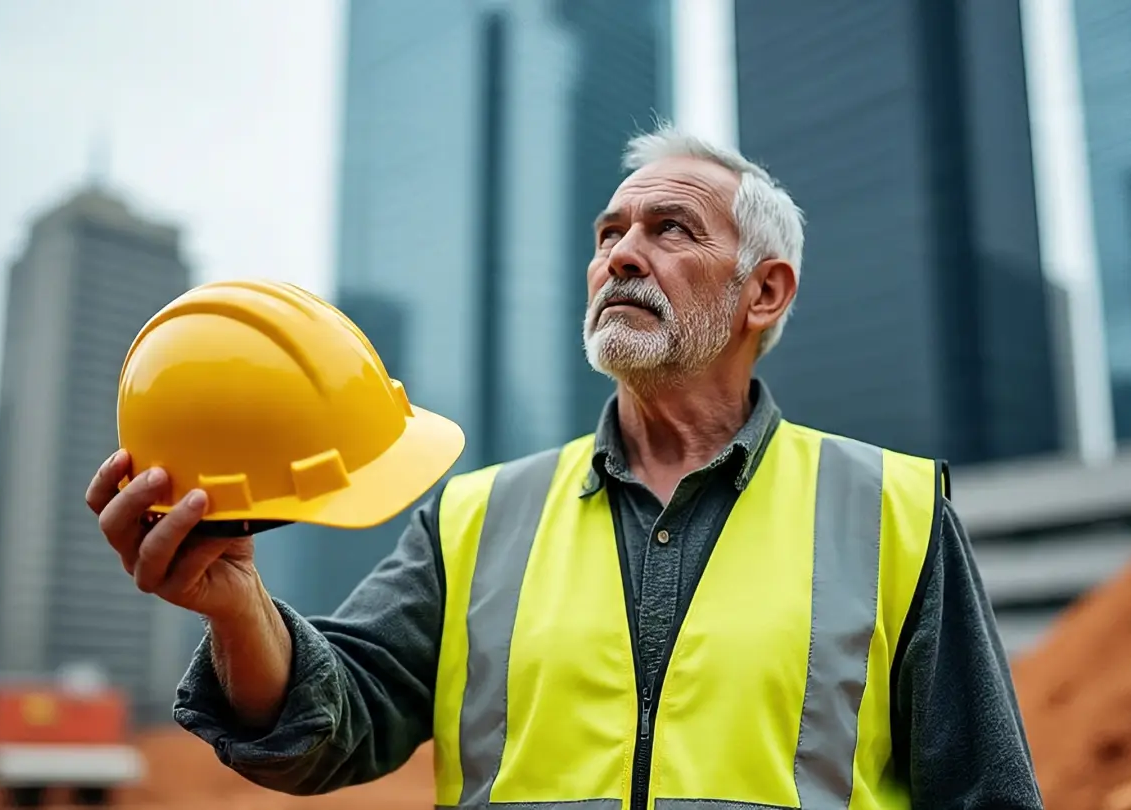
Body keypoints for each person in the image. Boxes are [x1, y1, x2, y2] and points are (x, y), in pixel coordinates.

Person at [87, 125, 1044, 809]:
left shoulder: (893, 512)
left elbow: (986, 794)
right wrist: (237, 606)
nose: (622, 254)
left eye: (670, 230)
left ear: (764, 290)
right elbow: (329, 728)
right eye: (607, 235)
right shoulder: (477, 518)